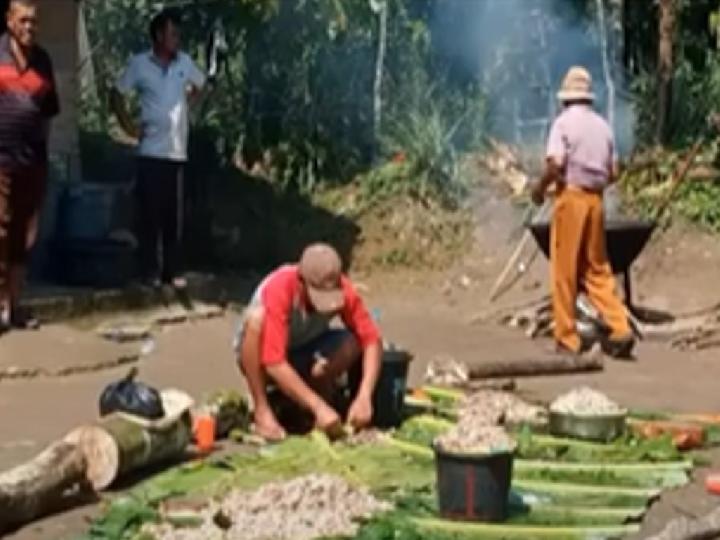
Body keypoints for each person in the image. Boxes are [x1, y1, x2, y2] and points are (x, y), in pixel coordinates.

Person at [532, 66, 634, 359]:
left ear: (566, 98)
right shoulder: (603, 126)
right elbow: (614, 172)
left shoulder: (562, 124)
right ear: (588, 98)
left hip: (571, 201)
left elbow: (555, 164)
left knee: (564, 270)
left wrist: (540, 190)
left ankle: (567, 338)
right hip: (595, 203)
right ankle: (620, 327)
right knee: (598, 269)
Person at [234, 243, 382, 441]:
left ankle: (309, 400)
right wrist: (318, 406)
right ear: (302, 281)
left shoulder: (344, 287)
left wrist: (365, 396)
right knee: (256, 321)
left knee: (352, 341)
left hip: (306, 346)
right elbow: (273, 362)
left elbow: (371, 339)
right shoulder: (281, 287)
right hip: (262, 354)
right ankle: (263, 409)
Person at [111, 9, 206, 290]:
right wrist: (129, 127)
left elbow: (201, 85)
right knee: (149, 215)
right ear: (158, 36)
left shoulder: (184, 63)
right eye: (172, 34)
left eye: (178, 34)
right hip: (150, 152)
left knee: (173, 217)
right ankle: (149, 271)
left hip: (177, 152)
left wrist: (188, 103)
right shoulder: (139, 65)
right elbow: (116, 94)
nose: (177, 39)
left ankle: (172, 271)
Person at [0, 0, 59, 333]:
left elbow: (49, 114)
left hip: (32, 163)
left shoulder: (44, 62)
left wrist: (40, 153)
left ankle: (15, 305)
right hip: (1, 161)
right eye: (23, 21)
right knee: (0, 230)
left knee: (24, 236)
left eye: (34, 22)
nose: (29, 28)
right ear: (9, 21)